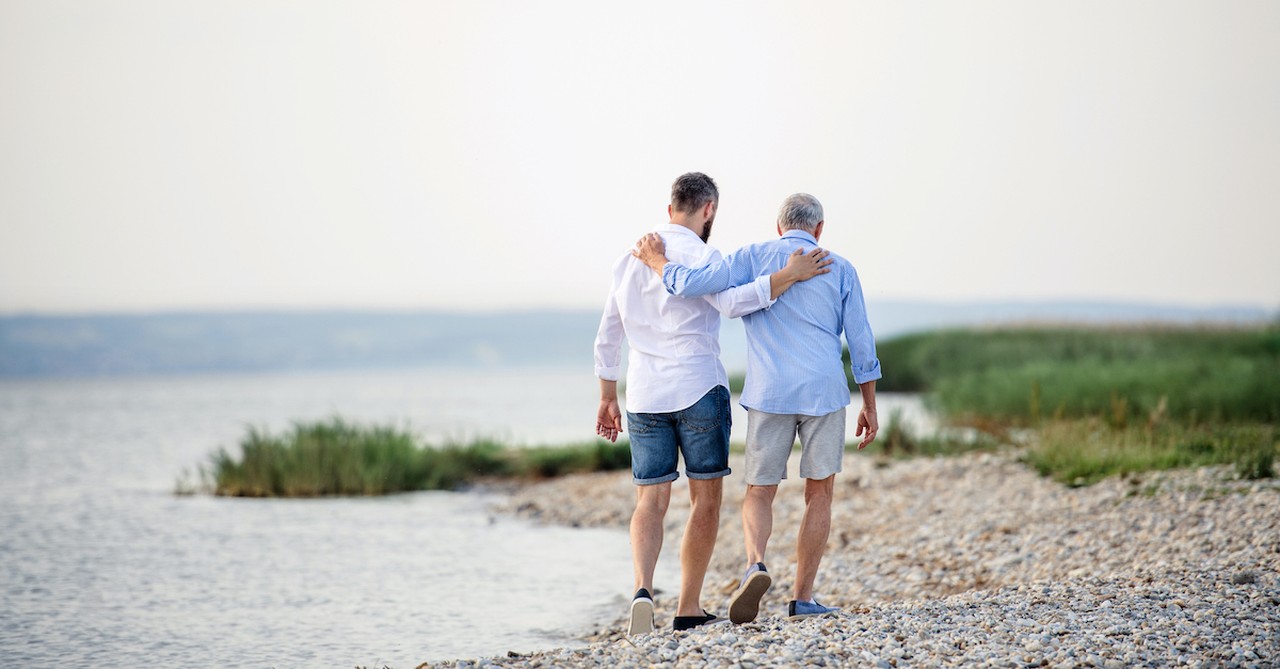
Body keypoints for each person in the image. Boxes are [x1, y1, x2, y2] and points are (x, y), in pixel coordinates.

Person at [594, 173, 831, 635]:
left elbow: (608, 334)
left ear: (670, 209)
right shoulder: (707, 257)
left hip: (644, 394)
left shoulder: (629, 258)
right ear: (709, 211)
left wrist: (607, 396)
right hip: (699, 387)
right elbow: (734, 303)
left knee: (650, 500)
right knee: (705, 499)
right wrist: (787, 276)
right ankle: (687, 607)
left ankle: (642, 590)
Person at [631, 192, 881, 623]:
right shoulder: (840, 267)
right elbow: (861, 341)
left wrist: (658, 263)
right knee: (819, 494)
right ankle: (802, 599)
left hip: (769, 393)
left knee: (760, 491)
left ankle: (755, 562)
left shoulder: (750, 257)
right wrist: (870, 404)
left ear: (779, 227)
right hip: (824, 392)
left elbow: (691, 284)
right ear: (819, 229)